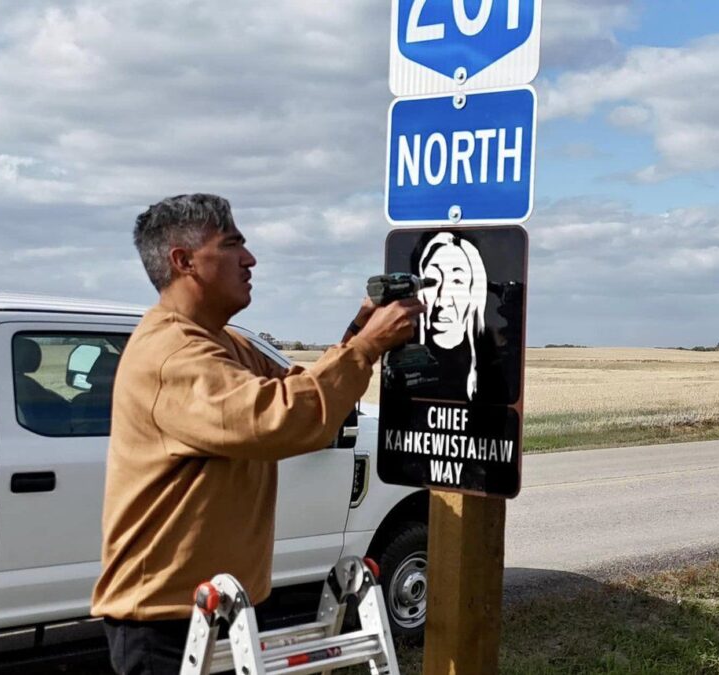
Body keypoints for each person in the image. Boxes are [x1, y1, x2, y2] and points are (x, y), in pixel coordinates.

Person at [90, 193, 423, 674]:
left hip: (219, 608)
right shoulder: (172, 354)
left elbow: (296, 389)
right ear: (184, 261)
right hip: (167, 622)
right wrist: (367, 348)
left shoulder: (221, 342)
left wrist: (358, 331)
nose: (250, 259)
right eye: (231, 245)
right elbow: (277, 419)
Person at [416, 231, 488, 401]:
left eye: (457, 281)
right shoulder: (402, 377)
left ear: (474, 295)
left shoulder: (492, 381)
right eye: (432, 281)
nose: (443, 300)